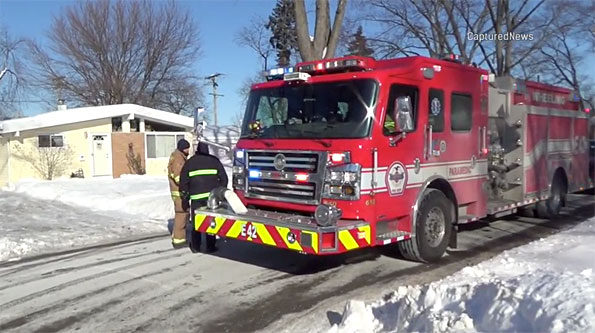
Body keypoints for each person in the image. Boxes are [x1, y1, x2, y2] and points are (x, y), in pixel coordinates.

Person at [179, 142, 228, 253]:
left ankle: (196, 247)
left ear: (197, 150)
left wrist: (185, 198)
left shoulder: (190, 162)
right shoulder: (214, 161)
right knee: (210, 222)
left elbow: (183, 182)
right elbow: (224, 179)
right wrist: (219, 192)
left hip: (196, 198)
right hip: (211, 199)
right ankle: (210, 246)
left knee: (196, 223)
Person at [168, 138, 191, 249]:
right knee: (181, 215)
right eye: (187, 148)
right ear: (182, 148)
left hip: (177, 191)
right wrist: (185, 187)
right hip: (179, 192)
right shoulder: (178, 159)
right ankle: (179, 240)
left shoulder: (178, 156)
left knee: (183, 214)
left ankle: (179, 237)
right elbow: (178, 177)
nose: (188, 150)